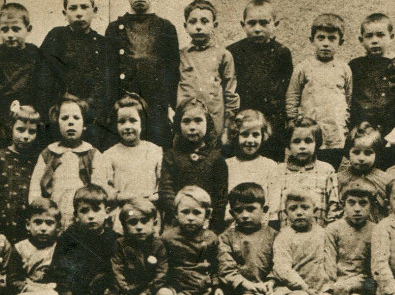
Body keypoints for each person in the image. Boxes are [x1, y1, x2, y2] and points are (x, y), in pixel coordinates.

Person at [218, 183, 345, 295]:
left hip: (272, 288)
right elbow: (228, 271)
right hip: (243, 291)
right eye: (239, 211)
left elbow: (277, 265)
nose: (245, 215)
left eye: (250, 209)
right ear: (232, 213)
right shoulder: (226, 238)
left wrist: (270, 281)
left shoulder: (274, 235)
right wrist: (250, 285)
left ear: (264, 210)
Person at [151, 186, 242, 295]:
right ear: (176, 214)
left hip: (207, 292)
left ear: (207, 214)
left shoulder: (211, 238)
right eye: (185, 212)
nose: (190, 218)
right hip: (183, 293)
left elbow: (216, 265)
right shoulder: (168, 238)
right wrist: (171, 288)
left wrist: (217, 287)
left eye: (196, 213)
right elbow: (164, 267)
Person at [105, 0, 180, 146]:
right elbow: (108, 73)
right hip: (125, 109)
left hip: (156, 108)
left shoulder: (166, 28)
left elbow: (173, 72)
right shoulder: (114, 29)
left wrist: (170, 107)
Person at [105, 199, 188, 295]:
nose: (139, 227)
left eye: (144, 221)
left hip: (149, 292)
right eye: (133, 222)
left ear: (154, 223)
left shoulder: (159, 245)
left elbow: (161, 275)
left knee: (166, 294)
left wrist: (145, 294)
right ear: (124, 226)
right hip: (126, 293)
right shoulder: (119, 244)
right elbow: (118, 274)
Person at [272, 189, 348, 295]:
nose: (299, 212)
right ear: (286, 213)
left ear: (315, 210)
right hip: (292, 290)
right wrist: (303, 287)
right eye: (293, 209)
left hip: (319, 288)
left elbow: (331, 263)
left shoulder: (323, 234)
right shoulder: (284, 236)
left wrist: (327, 287)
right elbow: (282, 268)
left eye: (304, 207)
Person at [49, 185, 121, 295]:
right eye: (84, 211)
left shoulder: (114, 238)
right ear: (75, 215)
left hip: (102, 293)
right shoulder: (69, 237)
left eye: (96, 210)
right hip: (77, 294)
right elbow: (60, 269)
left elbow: (117, 270)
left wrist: (113, 290)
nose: (91, 216)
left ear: (107, 211)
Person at [37, 0, 110, 148]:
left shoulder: (103, 44)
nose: (79, 13)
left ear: (94, 10)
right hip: (61, 119)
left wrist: (90, 111)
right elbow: (43, 81)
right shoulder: (56, 38)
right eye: (73, 8)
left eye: (84, 7)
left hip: (92, 121)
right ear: (65, 13)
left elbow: (106, 86)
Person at [228, 0, 294, 162]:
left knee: (270, 165)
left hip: (272, 123)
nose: (257, 29)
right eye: (252, 23)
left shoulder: (282, 53)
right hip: (243, 121)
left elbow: (287, 89)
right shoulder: (233, 52)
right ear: (242, 25)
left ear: (275, 24)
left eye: (264, 23)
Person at [348, 13, 395, 167]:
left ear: (391, 37)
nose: (375, 40)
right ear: (361, 40)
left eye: (380, 35)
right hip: (362, 134)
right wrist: (356, 127)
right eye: (369, 36)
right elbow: (349, 100)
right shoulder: (354, 66)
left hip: (391, 135)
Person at [285, 13, 352, 169]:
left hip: (334, 131)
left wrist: (344, 123)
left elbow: (348, 98)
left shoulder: (344, 69)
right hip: (309, 129)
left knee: (330, 167)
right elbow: (292, 96)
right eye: (320, 38)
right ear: (312, 40)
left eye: (331, 38)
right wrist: (292, 120)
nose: (325, 44)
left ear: (341, 42)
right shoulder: (304, 67)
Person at [0, 2, 42, 158]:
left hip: (30, 117)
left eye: (16, 29)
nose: (10, 34)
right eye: (5, 29)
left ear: (28, 30)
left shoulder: (36, 55)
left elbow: (42, 87)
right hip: (3, 119)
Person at [30, 95, 103, 224]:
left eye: (76, 118)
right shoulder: (48, 154)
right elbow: (35, 188)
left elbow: (99, 188)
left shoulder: (92, 154)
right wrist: (40, 208)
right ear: (57, 122)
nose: (70, 122)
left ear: (84, 124)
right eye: (64, 118)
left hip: (84, 216)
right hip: (53, 215)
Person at [325, 180, 381, 295]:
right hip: (339, 282)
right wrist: (335, 283)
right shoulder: (333, 229)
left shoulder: (376, 230)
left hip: (365, 283)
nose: (357, 208)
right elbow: (329, 264)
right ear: (343, 205)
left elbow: (376, 269)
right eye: (352, 203)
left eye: (363, 203)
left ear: (371, 206)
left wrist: (356, 283)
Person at [159, 97, 228, 233]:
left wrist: (210, 222)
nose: (192, 127)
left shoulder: (216, 158)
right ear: (178, 124)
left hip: (206, 225)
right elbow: (166, 190)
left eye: (198, 120)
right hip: (177, 222)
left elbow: (220, 197)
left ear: (207, 123)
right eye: (186, 121)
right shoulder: (171, 156)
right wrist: (179, 216)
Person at [94, 94, 162, 230]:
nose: (127, 126)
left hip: (148, 212)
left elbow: (162, 182)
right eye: (122, 121)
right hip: (122, 214)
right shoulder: (109, 154)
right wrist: (120, 196)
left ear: (142, 122)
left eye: (133, 121)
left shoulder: (155, 151)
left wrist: (155, 196)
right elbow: (101, 187)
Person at [176, 0, 239, 144]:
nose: (198, 27)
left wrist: (228, 126)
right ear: (185, 26)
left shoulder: (224, 55)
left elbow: (230, 92)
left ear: (214, 25)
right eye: (193, 22)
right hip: (186, 122)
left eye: (204, 21)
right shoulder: (180, 55)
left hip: (214, 120)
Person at [7, 198, 61, 295]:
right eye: (38, 222)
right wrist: (28, 286)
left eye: (49, 223)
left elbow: (60, 275)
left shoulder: (58, 248)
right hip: (26, 291)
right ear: (27, 225)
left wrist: (51, 286)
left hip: (48, 292)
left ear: (57, 227)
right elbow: (12, 279)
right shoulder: (19, 248)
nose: (43, 228)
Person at [0, 102, 42, 244]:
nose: (26, 136)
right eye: (21, 130)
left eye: (31, 131)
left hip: (28, 226)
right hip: (2, 225)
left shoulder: (38, 159)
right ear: (11, 128)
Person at [275, 117, 339, 228]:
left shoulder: (327, 170)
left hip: (319, 237)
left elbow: (334, 208)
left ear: (317, 143)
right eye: (296, 141)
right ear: (288, 144)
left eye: (308, 141)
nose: (302, 146)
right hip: (286, 236)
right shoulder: (279, 171)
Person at [225, 109, 280, 225]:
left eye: (255, 135)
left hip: (261, 230)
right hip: (231, 229)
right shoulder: (226, 165)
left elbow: (274, 208)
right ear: (235, 135)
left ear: (263, 136)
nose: (250, 140)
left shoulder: (270, 166)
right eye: (244, 134)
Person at [336, 122, 391, 221]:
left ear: (376, 154)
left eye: (368, 153)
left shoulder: (386, 180)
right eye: (356, 152)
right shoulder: (338, 179)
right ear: (348, 152)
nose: (361, 158)